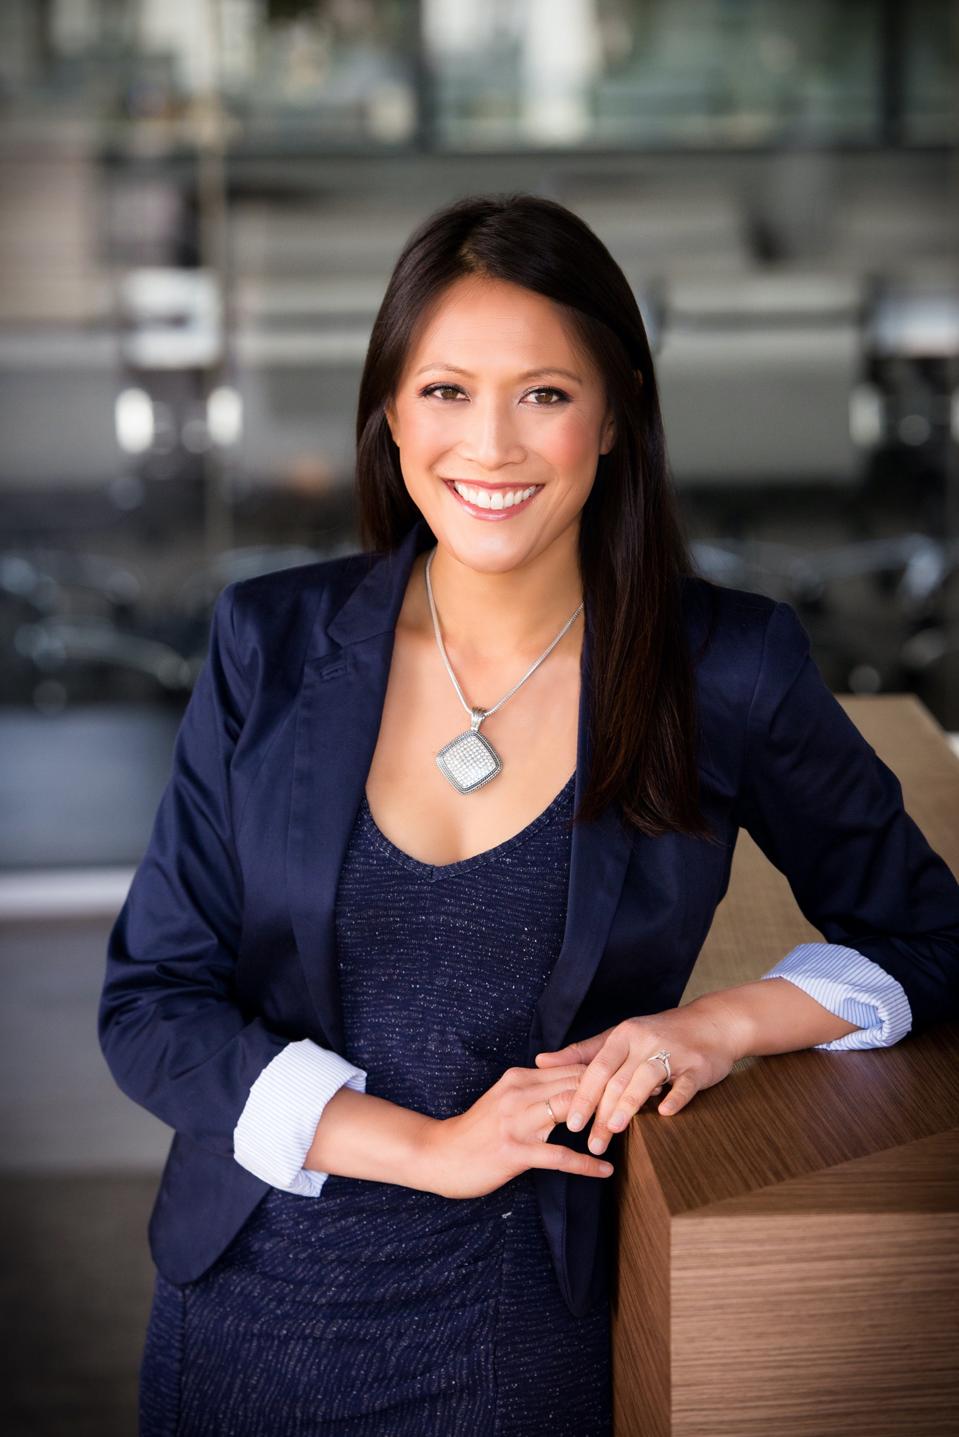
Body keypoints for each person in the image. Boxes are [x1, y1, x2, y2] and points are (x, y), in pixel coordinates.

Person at [99, 193, 959, 1437]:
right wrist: (424, 1144)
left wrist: (716, 1026)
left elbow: (929, 941)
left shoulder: (725, 666)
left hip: (512, 1334)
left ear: (612, 418)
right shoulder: (271, 642)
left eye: (543, 395)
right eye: (445, 391)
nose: (489, 446)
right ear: (389, 411)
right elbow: (152, 1007)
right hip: (241, 1311)